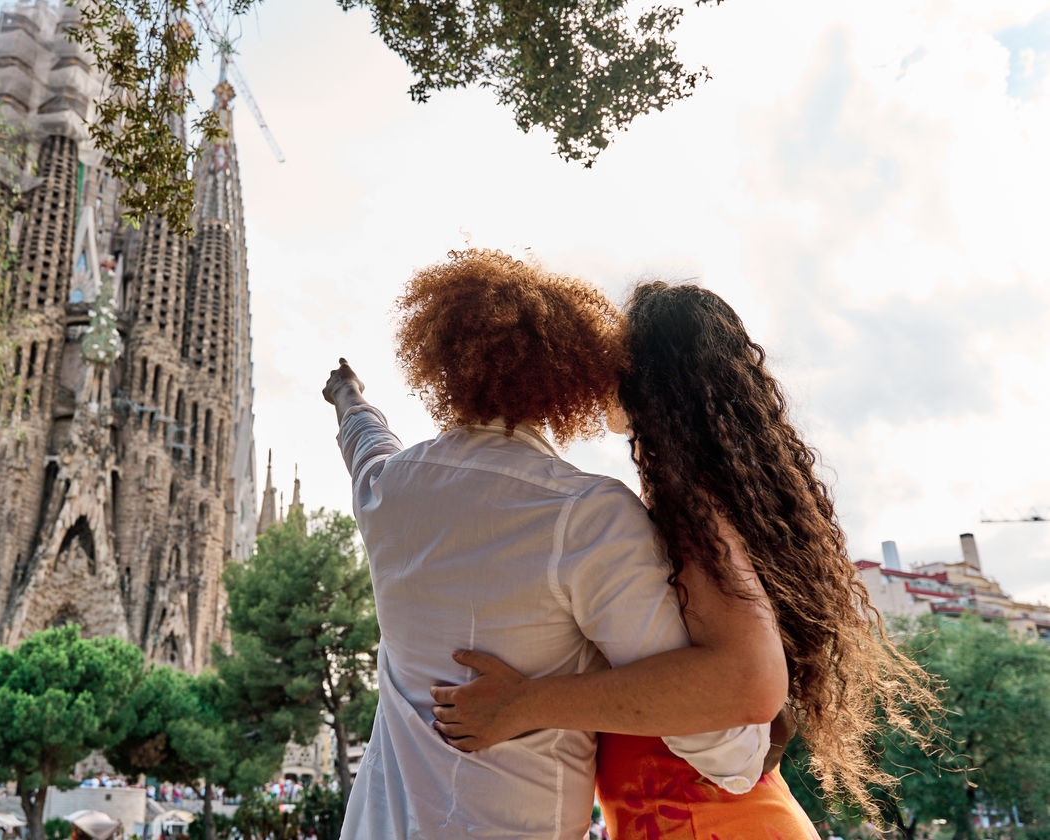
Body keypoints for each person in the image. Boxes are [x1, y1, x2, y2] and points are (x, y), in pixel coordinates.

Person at [430, 280, 940, 838]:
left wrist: (524, 704)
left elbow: (747, 682)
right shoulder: (705, 506)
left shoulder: (691, 513)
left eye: (614, 356)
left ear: (643, 379)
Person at [323, 250, 772, 840]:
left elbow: (365, 441)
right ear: (571, 376)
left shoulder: (387, 490)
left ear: (442, 363)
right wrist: (753, 748)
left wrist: (348, 396)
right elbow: (721, 744)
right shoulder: (586, 515)